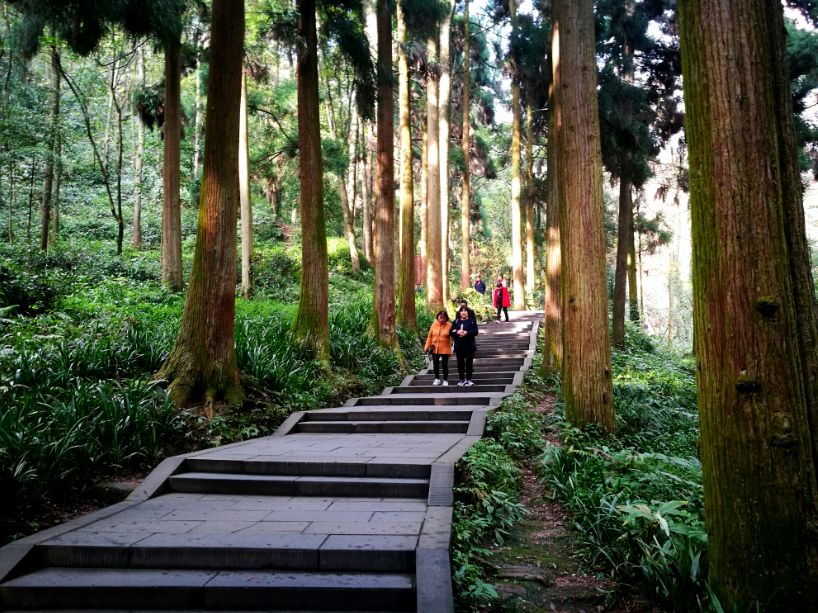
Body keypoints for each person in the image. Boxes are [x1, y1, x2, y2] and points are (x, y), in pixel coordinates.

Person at [423, 310, 453, 386]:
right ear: (438, 317)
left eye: (443, 317)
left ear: (446, 318)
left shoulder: (449, 325)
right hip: (435, 348)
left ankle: (445, 380)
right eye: (440, 317)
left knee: (444, 364)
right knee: (435, 364)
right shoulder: (434, 325)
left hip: (445, 348)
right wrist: (426, 347)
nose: (441, 319)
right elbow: (429, 337)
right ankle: (437, 379)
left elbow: (453, 336)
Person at [451, 307, 479, 386]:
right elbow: (451, 332)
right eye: (461, 311)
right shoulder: (456, 321)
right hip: (459, 346)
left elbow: (475, 331)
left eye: (465, 311)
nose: (463, 312)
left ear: (468, 312)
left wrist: (467, 333)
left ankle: (469, 379)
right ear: (459, 313)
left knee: (469, 362)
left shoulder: (472, 321)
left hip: (469, 345)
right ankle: (461, 379)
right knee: (460, 363)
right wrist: (457, 332)